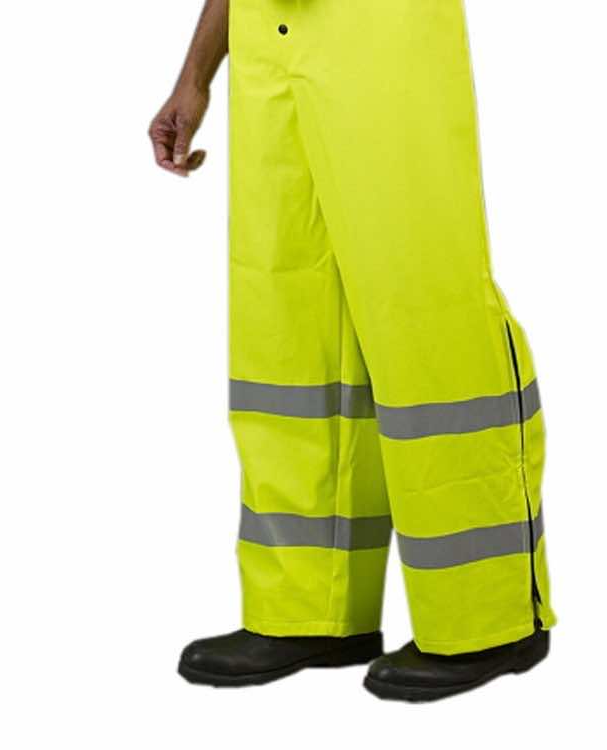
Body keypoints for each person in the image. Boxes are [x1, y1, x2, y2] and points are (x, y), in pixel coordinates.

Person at [149, 0, 556, 702]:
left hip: (380, 30)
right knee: (289, 324)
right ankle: (309, 613)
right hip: (266, 42)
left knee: (422, 303)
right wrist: (196, 75)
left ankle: (489, 620)